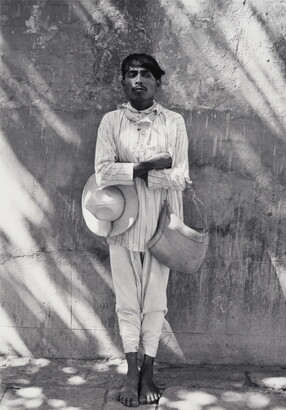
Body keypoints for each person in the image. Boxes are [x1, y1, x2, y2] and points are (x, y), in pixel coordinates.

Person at [94, 53, 190, 407]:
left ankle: (148, 370)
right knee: (126, 302)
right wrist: (149, 165)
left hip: (161, 224)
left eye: (146, 74)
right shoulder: (111, 121)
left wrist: (129, 169)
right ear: (123, 81)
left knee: (154, 302)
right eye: (131, 74)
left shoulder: (173, 121)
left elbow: (180, 177)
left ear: (157, 81)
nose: (138, 79)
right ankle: (131, 371)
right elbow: (102, 173)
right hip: (120, 221)